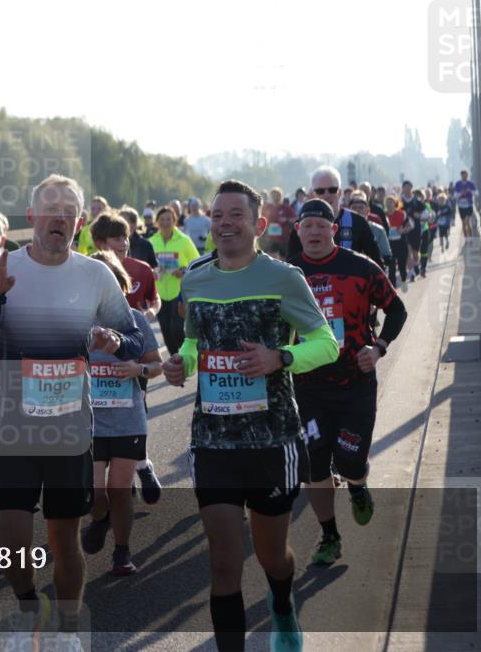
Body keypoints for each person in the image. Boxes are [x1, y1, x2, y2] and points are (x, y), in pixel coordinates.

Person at [0, 173, 145, 650]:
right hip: (9, 424)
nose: (60, 216)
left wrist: (115, 340)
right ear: (32, 218)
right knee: (11, 541)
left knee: (63, 537)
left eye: (69, 210)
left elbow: (136, 337)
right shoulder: (3, 268)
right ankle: (30, 608)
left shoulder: (95, 274)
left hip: (68, 425)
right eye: (51, 208)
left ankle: (67, 632)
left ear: (80, 222)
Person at [162, 180, 339, 652]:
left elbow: (326, 343)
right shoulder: (195, 278)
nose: (224, 224)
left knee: (271, 556)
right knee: (223, 561)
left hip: (271, 439)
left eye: (235, 215)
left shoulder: (284, 278)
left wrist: (280, 357)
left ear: (258, 224)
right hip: (213, 439)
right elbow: (194, 343)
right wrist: (182, 362)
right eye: (217, 216)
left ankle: (282, 604)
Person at [287, 200, 407, 568]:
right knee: (315, 465)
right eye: (307, 226)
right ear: (298, 231)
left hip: (355, 383)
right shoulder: (286, 276)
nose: (314, 233)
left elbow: (397, 309)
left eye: (321, 226)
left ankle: (357, 484)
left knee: (350, 461)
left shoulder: (360, 268)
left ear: (334, 230)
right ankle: (330, 536)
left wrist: (379, 347)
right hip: (308, 387)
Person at [81, 250, 163, 575]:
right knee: (96, 493)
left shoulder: (135, 320)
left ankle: (122, 551)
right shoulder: (77, 323)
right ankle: (100, 519)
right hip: (89, 422)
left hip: (127, 420)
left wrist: (137, 369)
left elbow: (156, 365)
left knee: (119, 489)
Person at [287, 166, 383, 268]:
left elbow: (377, 263)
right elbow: (291, 266)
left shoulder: (358, 222)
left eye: (332, 190)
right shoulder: (303, 225)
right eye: (320, 191)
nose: (327, 195)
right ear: (312, 195)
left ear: (340, 192)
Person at [147, 204, 200, 356]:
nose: (165, 222)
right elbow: (147, 266)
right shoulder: (151, 242)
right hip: (159, 293)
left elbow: (196, 263)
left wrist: (183, 271)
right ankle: (175, 359)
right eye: (162, 219)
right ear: (157, 222)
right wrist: (153, 272)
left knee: (176, 328)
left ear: (174, 221)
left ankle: (187, 355)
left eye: (168, 219)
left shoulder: (184, 240)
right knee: (165, 330)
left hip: (179, 292)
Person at [348, 191, 392, 268]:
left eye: (361, 207)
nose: (357, 210)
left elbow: (387, 255)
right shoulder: (342, 229)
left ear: (368, 211)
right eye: (354, 208)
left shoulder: (378, 230)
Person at [259, 187, 298, 260]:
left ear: (281, 196)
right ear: (271, 196)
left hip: (283, 239)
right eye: (274, 195)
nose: (276, 197)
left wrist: (286, 220)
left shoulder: (286, 208)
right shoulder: (267, 208)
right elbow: (260, 220)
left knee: (284, 259)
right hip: (270, 239)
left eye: (278, 195)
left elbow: (295, 219)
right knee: (270, 259)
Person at [117, 206, 158, 271]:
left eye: (123, 222)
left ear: (134, 224)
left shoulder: (146, 245)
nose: (119, 225)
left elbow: (154, 267)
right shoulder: (112, 244)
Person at [454, 169, 477, 238]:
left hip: (469, 205)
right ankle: (466, 239)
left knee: (468, 221)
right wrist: (461, 193)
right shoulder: (458, 184)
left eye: (465, 175)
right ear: (461, 176)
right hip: (461, 205)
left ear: (467, 175)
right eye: (463, 175)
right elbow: (455, 195)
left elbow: (476, 193)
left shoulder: (471, 183)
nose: (464, 177)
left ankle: (471, 238)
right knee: (463, 223)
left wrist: (470, 191)